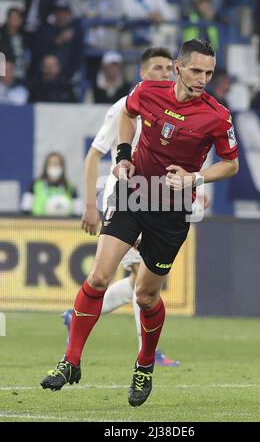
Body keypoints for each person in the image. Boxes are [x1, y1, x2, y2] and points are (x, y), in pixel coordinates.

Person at [41, 39, 239, 407]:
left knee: (146, 296)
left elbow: (231, 164)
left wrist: (195, 178)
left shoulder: (217, 115)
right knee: (98, 276)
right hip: (134, 194)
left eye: (209, 73)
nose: (203, 79)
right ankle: (70, 361)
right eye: (196, 70)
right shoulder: (147, 91)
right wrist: (123, 155)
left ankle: (144, 363)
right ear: (177, 68)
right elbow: (127, 115)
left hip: (174, 207)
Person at [63, 46, 181, 367]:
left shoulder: (170, 108)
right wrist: (90, 205)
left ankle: (76, 315)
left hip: (154, 199)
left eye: (169, 68)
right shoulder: (123, 108)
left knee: (139, 282)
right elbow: (93, 155)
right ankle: (148, 353)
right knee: (137, 278)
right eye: (157, 68)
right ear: (142, 74)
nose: (165, 74)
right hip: (125, 198)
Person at [21, 152, 82, 216]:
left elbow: (78, 212)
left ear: (62, 167)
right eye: (50, 164)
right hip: (39, 224)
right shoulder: (35, 185)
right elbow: (25, 209)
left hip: (63, 225)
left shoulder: (71, 187)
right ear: (46, 166)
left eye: (56, 164)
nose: (53, 166)